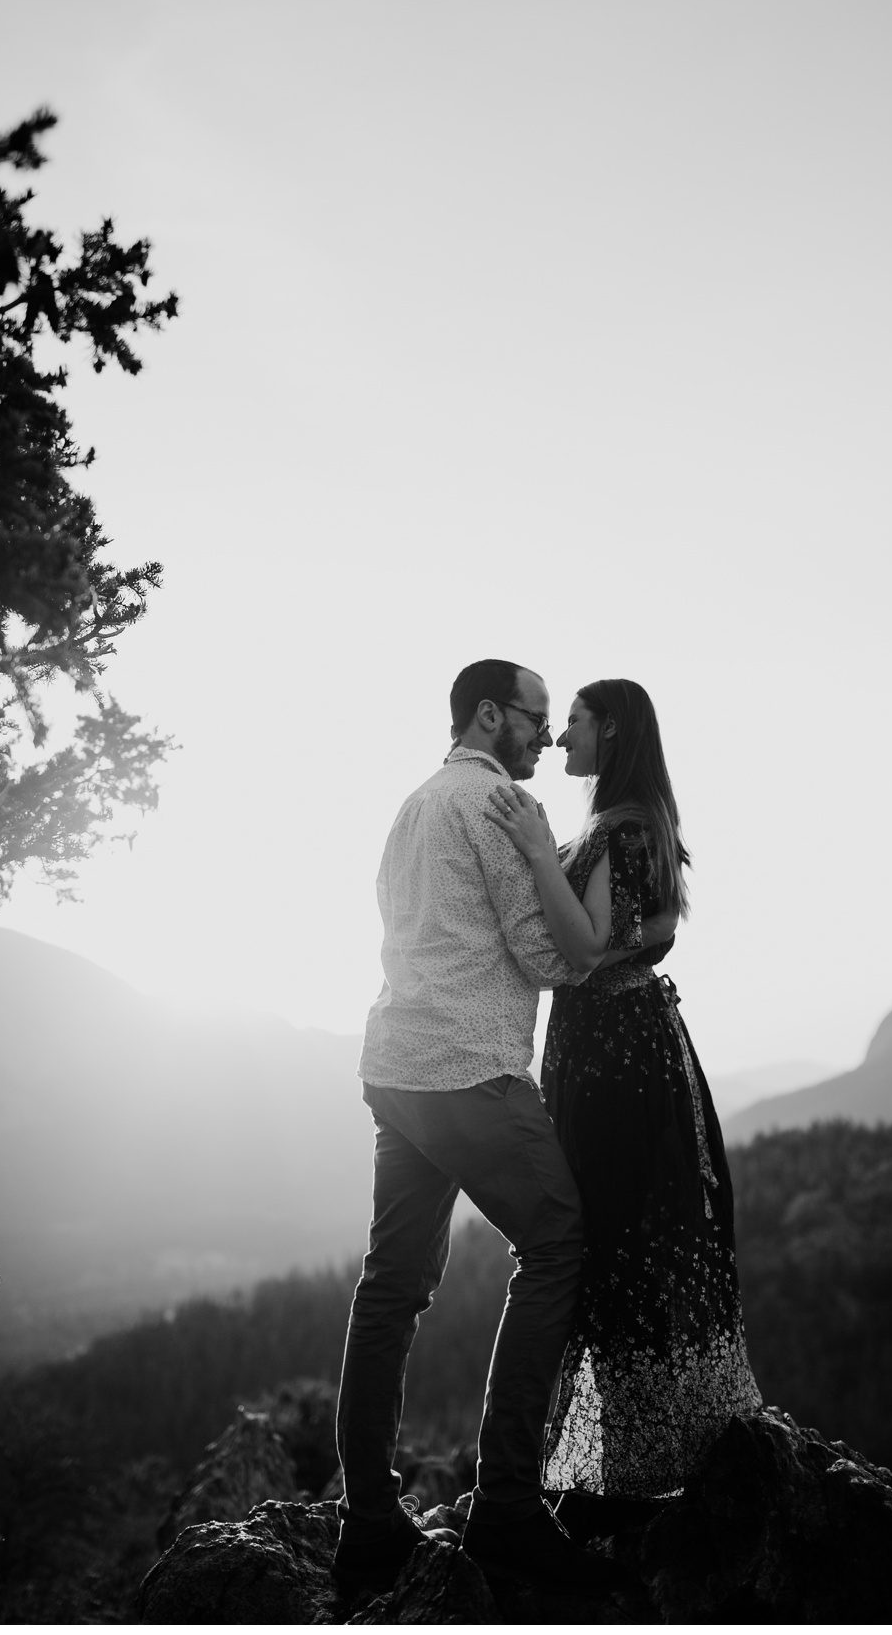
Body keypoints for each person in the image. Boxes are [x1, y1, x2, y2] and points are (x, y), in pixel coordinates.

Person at [332, 658, 675, 1592]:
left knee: (390, 1288)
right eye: (532, 717)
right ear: (490, 717)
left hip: (393, 1067)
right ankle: (511, 1507)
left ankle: (367, 1521)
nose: (543, 735)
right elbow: (555, 958)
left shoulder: (414, 803)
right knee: (560, 1243)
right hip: (469, 1073)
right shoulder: (494, 809)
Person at [487, 677, 762, 1533]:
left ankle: (632, 1480)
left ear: (610, 728)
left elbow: (591, 948)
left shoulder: (618, 827)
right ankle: (640, 1464)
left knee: (614, 1240)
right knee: (630, 1236)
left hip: (612, 1058)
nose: (561, 734)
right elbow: (653, 932)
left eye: (573, 719)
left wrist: (536, 851)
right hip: (626, 1045)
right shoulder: (638, 820)